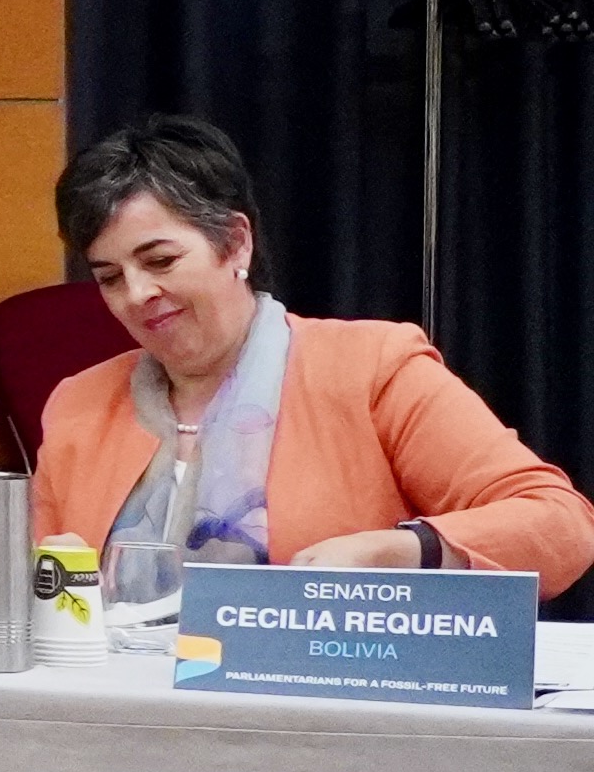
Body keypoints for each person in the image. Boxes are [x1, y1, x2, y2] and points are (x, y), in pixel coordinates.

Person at [29, 111, 594, 589]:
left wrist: (402, 551)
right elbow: (38, 591)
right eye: (109, 277)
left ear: (236, 243)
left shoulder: (372, 368)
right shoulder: (79, 404)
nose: (137, 294)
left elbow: (561, 524)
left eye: (160, 261)